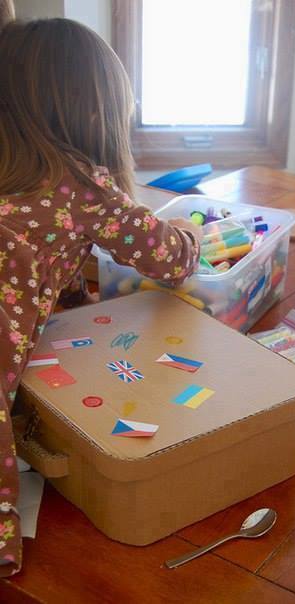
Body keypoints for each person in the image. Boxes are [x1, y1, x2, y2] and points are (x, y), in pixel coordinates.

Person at [0, 18, 201, 576]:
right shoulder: (79, 186)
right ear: (95, 114)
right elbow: (174, 260)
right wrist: (193, 233)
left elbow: (46, 259)